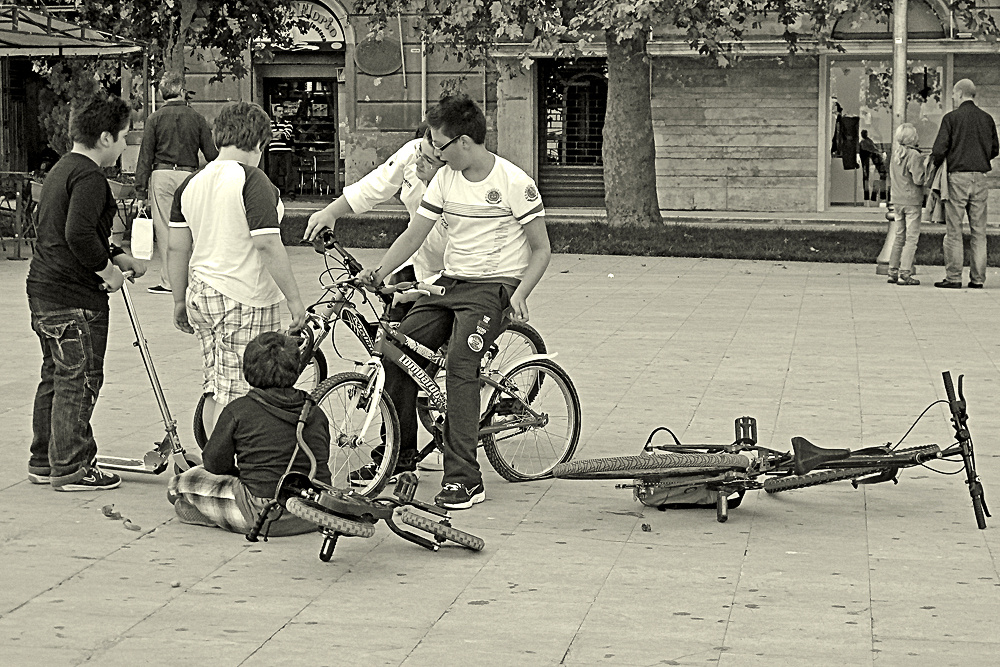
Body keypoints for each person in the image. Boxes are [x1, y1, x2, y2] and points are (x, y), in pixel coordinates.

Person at [354, 94, 551, 510]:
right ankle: (399, 456)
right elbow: (414, 235)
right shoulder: (445, 180)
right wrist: (379, 272)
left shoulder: (515, 183)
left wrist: (519, 294)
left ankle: (465, 478)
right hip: (449, 283)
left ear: (464, 142)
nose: (433, 153)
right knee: (395, 350)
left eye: (439, 145)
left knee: (462, 367)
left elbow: (541, 249)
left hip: (493, 287)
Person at [25, 91, 148, 491]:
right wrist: (108, 270)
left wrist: (115, 253)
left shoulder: (62, 169)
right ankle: (73, 465)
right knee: (79, 379)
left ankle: (44, 459)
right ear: (106, 137)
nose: (127, 145)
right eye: (126, 136)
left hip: (44, 291)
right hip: (74, 298)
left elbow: (70, 229)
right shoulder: (92, 177)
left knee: (56, 376)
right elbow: (77, 233)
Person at [167, 101, 307, 437]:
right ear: (260, 144)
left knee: (216, 385)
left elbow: (175, 247)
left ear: (218, 139)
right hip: (243, 297)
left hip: (202, 292)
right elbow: (267, 244)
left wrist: (177, 299)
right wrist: (294, 300)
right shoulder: (253, 180)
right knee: (240, 391)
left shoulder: (191, 184)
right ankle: (228, 464)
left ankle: (213, 458)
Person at [167, 331, 331, 535]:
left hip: (265, 515)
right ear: (296, 369)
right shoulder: (315, 411)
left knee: (180, 483)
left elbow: (214, 463)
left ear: (247, 370)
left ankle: (214, 515)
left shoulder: (239, 410)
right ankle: (213, 512)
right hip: (316, 511)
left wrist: (240, 473)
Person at [303, 124, 447, 283]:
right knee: (393, 301)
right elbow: (376, 183)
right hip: (417, 257)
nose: (418, 161)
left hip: (455, 270)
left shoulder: (459, 186)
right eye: (419, 151)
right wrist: (330, 212)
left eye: (428, 160)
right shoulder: (413, 153)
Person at [134, 72, 219, 295]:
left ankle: (169, 281)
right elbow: (211, 153)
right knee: (189, 227)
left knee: (164, 230)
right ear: (182, 91)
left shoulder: (154, 119)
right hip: (188, 176)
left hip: (161, 174)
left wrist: (140, 191)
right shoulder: (197, 118)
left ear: (162, 93)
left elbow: (145, 156)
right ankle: (193, 277)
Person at [930, 79, 999, 289]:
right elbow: (995, 149)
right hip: (980, 178)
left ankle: (954, 277)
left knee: (954, 230)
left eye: (953, 93)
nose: (952, 97)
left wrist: (937, 163)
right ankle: (978, 279)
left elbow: (939, 150)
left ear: (960, 93)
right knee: (979, 231)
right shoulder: (987, 119)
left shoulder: (951, 118)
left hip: (957, 177)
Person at [887, 123, 926, 286]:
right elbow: (918, 179)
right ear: (912, 138)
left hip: (897, 199)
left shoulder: (895, 154)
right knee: (911, 238)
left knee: (899, 236)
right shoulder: (914, 155)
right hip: (911, 201)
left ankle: (892, 271)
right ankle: (905, 272)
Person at [267, 103, 297, 200]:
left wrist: (275, 134)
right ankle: (273, 191)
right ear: (274, 112)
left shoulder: (288, 123)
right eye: (279, 111)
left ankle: (290, 191)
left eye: (282, 111)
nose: (281, 113)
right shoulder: (269, 123)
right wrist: (279, 133)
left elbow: (285, 135)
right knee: (273, 172)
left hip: (285, 151)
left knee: (288, 172)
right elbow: (267, 136)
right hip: (273, 151)